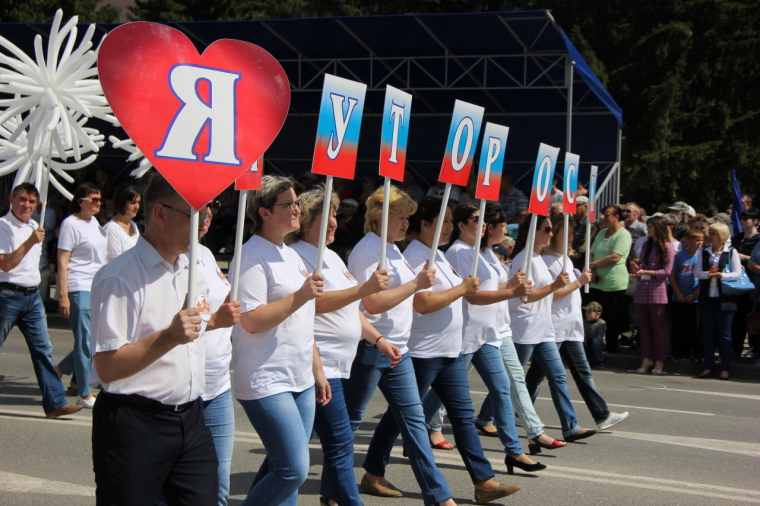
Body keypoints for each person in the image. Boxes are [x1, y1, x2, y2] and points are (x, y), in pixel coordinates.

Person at [90, 174, 240, 505]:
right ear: (160, 213)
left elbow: (192, 327)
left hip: (191, 417)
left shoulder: (192, 270)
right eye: (196, 213)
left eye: (209, 210)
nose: (206, 221)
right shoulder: (119, 277)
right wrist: (168, 338)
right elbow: (107, 367)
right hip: (135, 424)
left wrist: (215, 321)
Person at [364, 197, 521, 502]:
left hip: (450, 350)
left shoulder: (439, 253)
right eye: (444, 222)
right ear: (425, 224)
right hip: (423, 352)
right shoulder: (417, 255)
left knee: (462, 417)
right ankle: (372, 472)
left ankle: (483, 481)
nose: (449, 227)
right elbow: (422, 303)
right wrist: (461, 289)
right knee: (398, 418)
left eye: (451, 222)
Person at [345, 186, 458, 506]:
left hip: (399, 350)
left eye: (408, 216)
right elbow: (372, 302)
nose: (406, 222)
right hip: (370, 348)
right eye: (400, 216)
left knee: (414, 425)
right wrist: (415, 284)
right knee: (347, 425)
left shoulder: (392, 248)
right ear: (379, 217)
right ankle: (332, 488)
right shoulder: (369, 250)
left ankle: (439, 496)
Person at [288, 187, 400, 506]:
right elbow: (317, 303)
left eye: (336, 214)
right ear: (307, 220)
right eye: (326, 215)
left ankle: (326, 496)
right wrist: (364, 288)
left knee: (292, 451)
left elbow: (350, 309)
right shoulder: (298, 256)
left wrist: (377, 339)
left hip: (340, 364)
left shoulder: (333, 256)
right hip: (317, 364)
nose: (334, 222)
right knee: (339, 442)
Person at [232, 175, 324, 505]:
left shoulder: (290, 253)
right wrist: (299, 296)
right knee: (293, 470)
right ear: (265, 212)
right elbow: (252, 320)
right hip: (265, 377)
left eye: (297, 202)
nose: (297, 209)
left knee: (280, 469)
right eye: (288, 204)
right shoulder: (251, 256)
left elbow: (303, 320)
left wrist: (317, 368)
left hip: (299, 375)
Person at [453, 203, 565, 457]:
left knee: (509, 383)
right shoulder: (459, 252)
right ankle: (429, 423)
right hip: (472, 332)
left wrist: (510, 284)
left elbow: (496, 285)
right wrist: (514, 289)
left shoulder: (488, 253)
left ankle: (527, 439)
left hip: (497, 329)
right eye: (476, 220)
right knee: (452, 387)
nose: (504, 229)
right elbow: (473, 295)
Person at [530, 214, 629, 431]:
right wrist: (579, 282)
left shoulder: (566, 259)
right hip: (554, 326)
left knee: (573, 373)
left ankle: (601, 415)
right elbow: (551, 295)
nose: (571, 237)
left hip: (570, 327)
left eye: (573, 233)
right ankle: (509, 412)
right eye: (566, 233)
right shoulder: (545, 261)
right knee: (541, 376)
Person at [510, 214, 597, 443]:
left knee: (558, 376)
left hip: (544, 328)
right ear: (533, 232)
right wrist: (556, 286)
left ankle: (570, 425)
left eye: (551, 230)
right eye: (546, 230)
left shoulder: (538, 258)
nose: (549, 234)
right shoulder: (525, 259)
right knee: (512, 379)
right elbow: (525, 297)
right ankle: (487, 417)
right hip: (525, 329)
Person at [0, 183, 83, 419]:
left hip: (32, 296)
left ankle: (55, 403)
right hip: (7, 294)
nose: (27, 205)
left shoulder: (35, 226)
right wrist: (29, 242)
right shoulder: (3, 226)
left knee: (43, 350)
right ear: (12, 200)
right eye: (23, 200)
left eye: (32, 202)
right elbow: (5, 264)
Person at [196, 202, 240, 506]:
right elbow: (182, 320)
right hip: (184, 388)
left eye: (212, 208)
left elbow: (214, 301)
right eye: (199, 206)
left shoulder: (206, 254)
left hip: (218, 385)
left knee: (219, 487)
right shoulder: (169, 260)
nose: (207, 214)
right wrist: (215, 320)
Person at [56, 182, 107, 408]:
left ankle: (60, 370)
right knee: (85, 340)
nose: (98, 203)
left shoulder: (95, 223)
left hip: (96, 288)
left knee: (92, 341)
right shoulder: (70, 224)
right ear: (80, 201)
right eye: (93, 199)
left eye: (100, 199)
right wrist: (63, 295)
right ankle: (84, 393)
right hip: (78, 287)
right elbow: (63, 261)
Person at [695, 222, 742, 380]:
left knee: (725, 335)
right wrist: (708, 274)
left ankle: (725, 368)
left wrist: (721, 275)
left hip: (725, 299)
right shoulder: (704, 252)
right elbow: (697, 272)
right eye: (710, 233)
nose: (710, 236)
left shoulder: (731, 252)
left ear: (721, 236)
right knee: (708, 334)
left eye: (713, 233)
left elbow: (737, 274)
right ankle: (708, 366)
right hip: (707, 299)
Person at [629, 216, 675, 375]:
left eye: (650, 227)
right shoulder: (646, 244)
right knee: (643, 327)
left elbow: (667, 272)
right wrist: (637, 272)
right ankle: (646, 358)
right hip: (643, 289)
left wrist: (646, 272)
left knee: (658, 328)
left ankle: (660, 360)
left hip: (657, 291)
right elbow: (642, 265)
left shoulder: (668, 247)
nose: (647, 229)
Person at [589, 204, 632, 353]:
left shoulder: (623, 235)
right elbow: (592, 251)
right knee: (593, 313)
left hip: (613, 282)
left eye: (607, 215)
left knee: (611, 316)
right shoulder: (601, 233)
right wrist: (592, 268)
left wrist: (593, 264)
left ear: (616, 217)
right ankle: (593, 345)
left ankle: (611, 346)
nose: (603, 218)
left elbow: (615, 257)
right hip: (597, 281)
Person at [669, 230, 703, 361]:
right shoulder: (680, 256)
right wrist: (678, 293)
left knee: (694, 326)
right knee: (678, 326)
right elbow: (672, 275)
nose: (700, 243)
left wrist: (694, 294)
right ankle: (677, 351)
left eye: (701, 240)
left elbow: (703, 278)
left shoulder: (702, 256)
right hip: (679, 296)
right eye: (696, 240)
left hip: (695, 298)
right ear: (688, 242)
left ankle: (694, 353)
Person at [730, 208, 760, 355]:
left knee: (752, 315)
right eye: (741, 218)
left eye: (746, 218)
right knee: (738, 316)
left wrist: (742, 257)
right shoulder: (737, 237)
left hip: (752, 280)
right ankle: (736, 347)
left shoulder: (758, 239)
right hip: (736, 280)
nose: (742, 221)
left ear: (755, 221)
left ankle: (754, 348)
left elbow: (754, 259)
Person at [103, 184, 141, 262]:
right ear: (121, 202)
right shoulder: (111, 229)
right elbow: (114, 263)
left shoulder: (133, 225)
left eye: (138, 202)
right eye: (133, 202)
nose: (137, 206)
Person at [583, 302, 607, 367]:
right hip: (587, 342)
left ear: (598, 314)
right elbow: (584, 333)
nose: (587, 315)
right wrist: (585, 338)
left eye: (589, 313)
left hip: (598, 343)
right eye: (586, 312)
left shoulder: (602, 323)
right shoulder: (584, 322)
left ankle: (599, 361)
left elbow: (600, 337)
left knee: (596, 342)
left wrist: (591, 340)